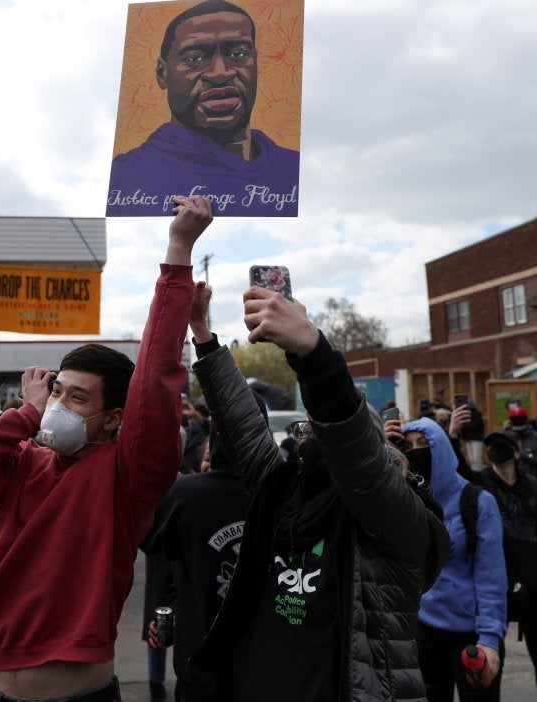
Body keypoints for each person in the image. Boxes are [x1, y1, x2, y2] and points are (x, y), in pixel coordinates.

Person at [0, 197, 213, 701]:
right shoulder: (21, 459)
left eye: (76, 397)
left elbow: (155, 383)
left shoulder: (126, 477)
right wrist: (25, 413)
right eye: (56, 390)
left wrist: (178, 251)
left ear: (112, 420)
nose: (59, 404)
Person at [188, 282, 450, 701]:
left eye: (318, 428)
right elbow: (245, 431)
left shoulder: (394, 515)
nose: (307, 434)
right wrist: (202, 334)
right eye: (305, 428)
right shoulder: (288, 495)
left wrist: (312, 352)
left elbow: (356, 457)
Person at [107, 0, 299, 217]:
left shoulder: (290, 166)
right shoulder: (131, 174)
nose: (220, 73)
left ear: (255, 63)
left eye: (237, 54)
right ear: (162, 73)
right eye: (194, 58)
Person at [394, 416, 507, 701]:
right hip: (424, 632)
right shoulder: (405, 499)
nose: (416, 450)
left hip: (471, 636)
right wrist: (383, 447)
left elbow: (491, 577)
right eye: (408, 446)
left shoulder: (478, 502)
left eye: (424, 443)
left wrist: (490, 641)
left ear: (440, 448)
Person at [142, 428, 253, 702]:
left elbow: (147, 537)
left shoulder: (187, 496)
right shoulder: (282, 492)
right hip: (264, 667)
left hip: (202, 670)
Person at [478, 429, 537, 701]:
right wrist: (454, 432)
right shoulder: (480, 487)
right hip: (496, 591)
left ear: (516, 452)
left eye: (502, 445)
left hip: (534, 590)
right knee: (492, 659)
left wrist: (531, 580)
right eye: (491, 446)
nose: (496, 449)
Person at [506, 406, 537, 482]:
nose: (518, 422)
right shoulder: (505, 438)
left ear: (526, 420)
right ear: (510, 421)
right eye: (515, 419)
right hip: (511, 483)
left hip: (535, 481)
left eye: (521, 419)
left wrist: (527, 455)